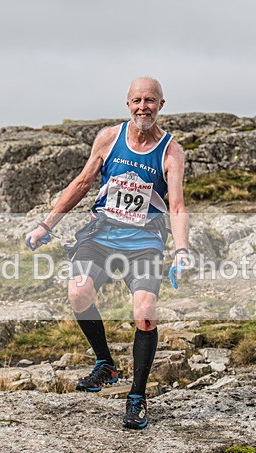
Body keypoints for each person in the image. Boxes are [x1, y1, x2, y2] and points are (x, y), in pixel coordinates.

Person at [24, 77, 189, 430]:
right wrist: (45, 226)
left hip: (143, 241)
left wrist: (181, 250)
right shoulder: (109, 138)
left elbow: (176, 206)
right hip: (100, 235)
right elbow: (83, 182)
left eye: (150, 100)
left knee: (145, 313)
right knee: (78, 293)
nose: (143, 107)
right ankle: (106, 365)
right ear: (128, 104)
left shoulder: (171, 152)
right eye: (137, 100)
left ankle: (137, 398)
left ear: (161, 105)